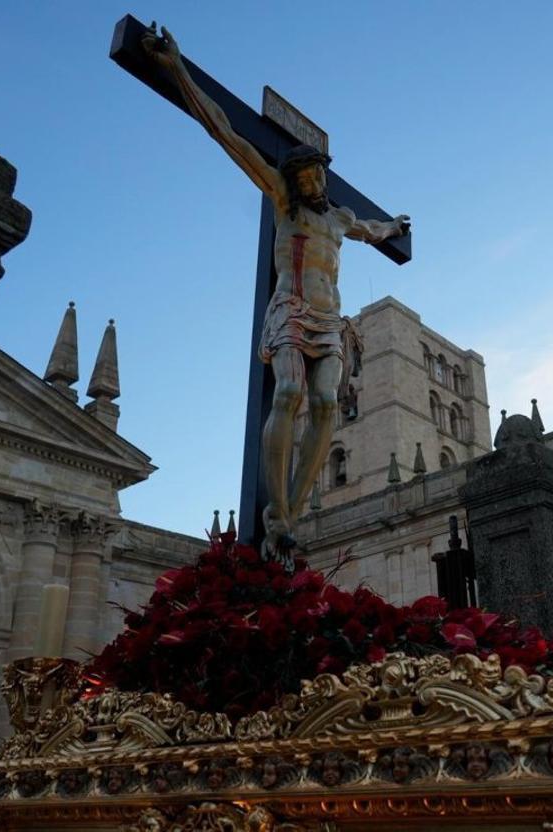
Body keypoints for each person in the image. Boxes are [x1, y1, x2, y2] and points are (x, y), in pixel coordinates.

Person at [142, 24, 410, 555]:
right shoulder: (284, 203)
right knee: (287, 393)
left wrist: (396, 226)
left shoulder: (339, 218)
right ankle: (274, 512)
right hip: (290, 308)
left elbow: (375, 230)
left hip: (329, 321)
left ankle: (290, 510)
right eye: (304, 176)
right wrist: (177, 70)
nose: (312, 183)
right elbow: (226, 133)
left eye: (316, 176)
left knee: (326, 404)